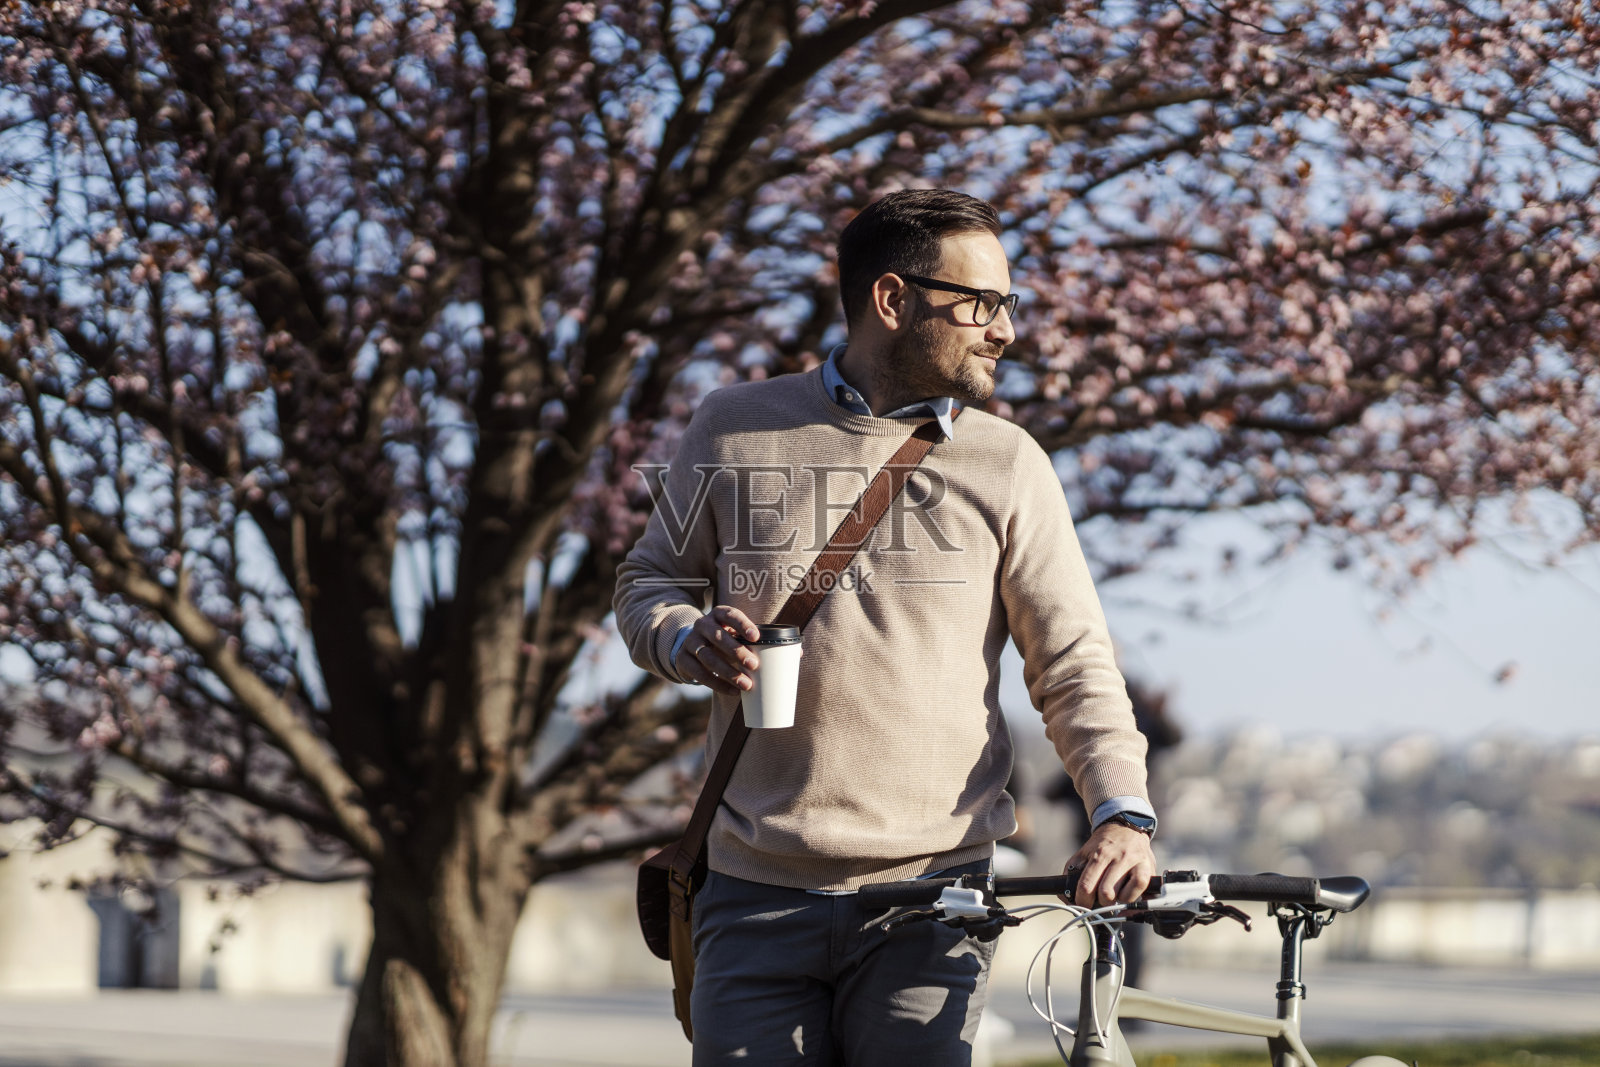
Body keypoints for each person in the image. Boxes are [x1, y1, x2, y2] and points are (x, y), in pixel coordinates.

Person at [614, 189, 1158, 1066]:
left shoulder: (1009, 462)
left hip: (932, 901)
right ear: (893, 300)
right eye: (981, 304)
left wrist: (1121, 809)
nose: (1005, 330)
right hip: (753, 893)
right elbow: (648, 581)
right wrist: (684, 636)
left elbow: (1072, 660)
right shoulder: (733, 425)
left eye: (1007, 305)